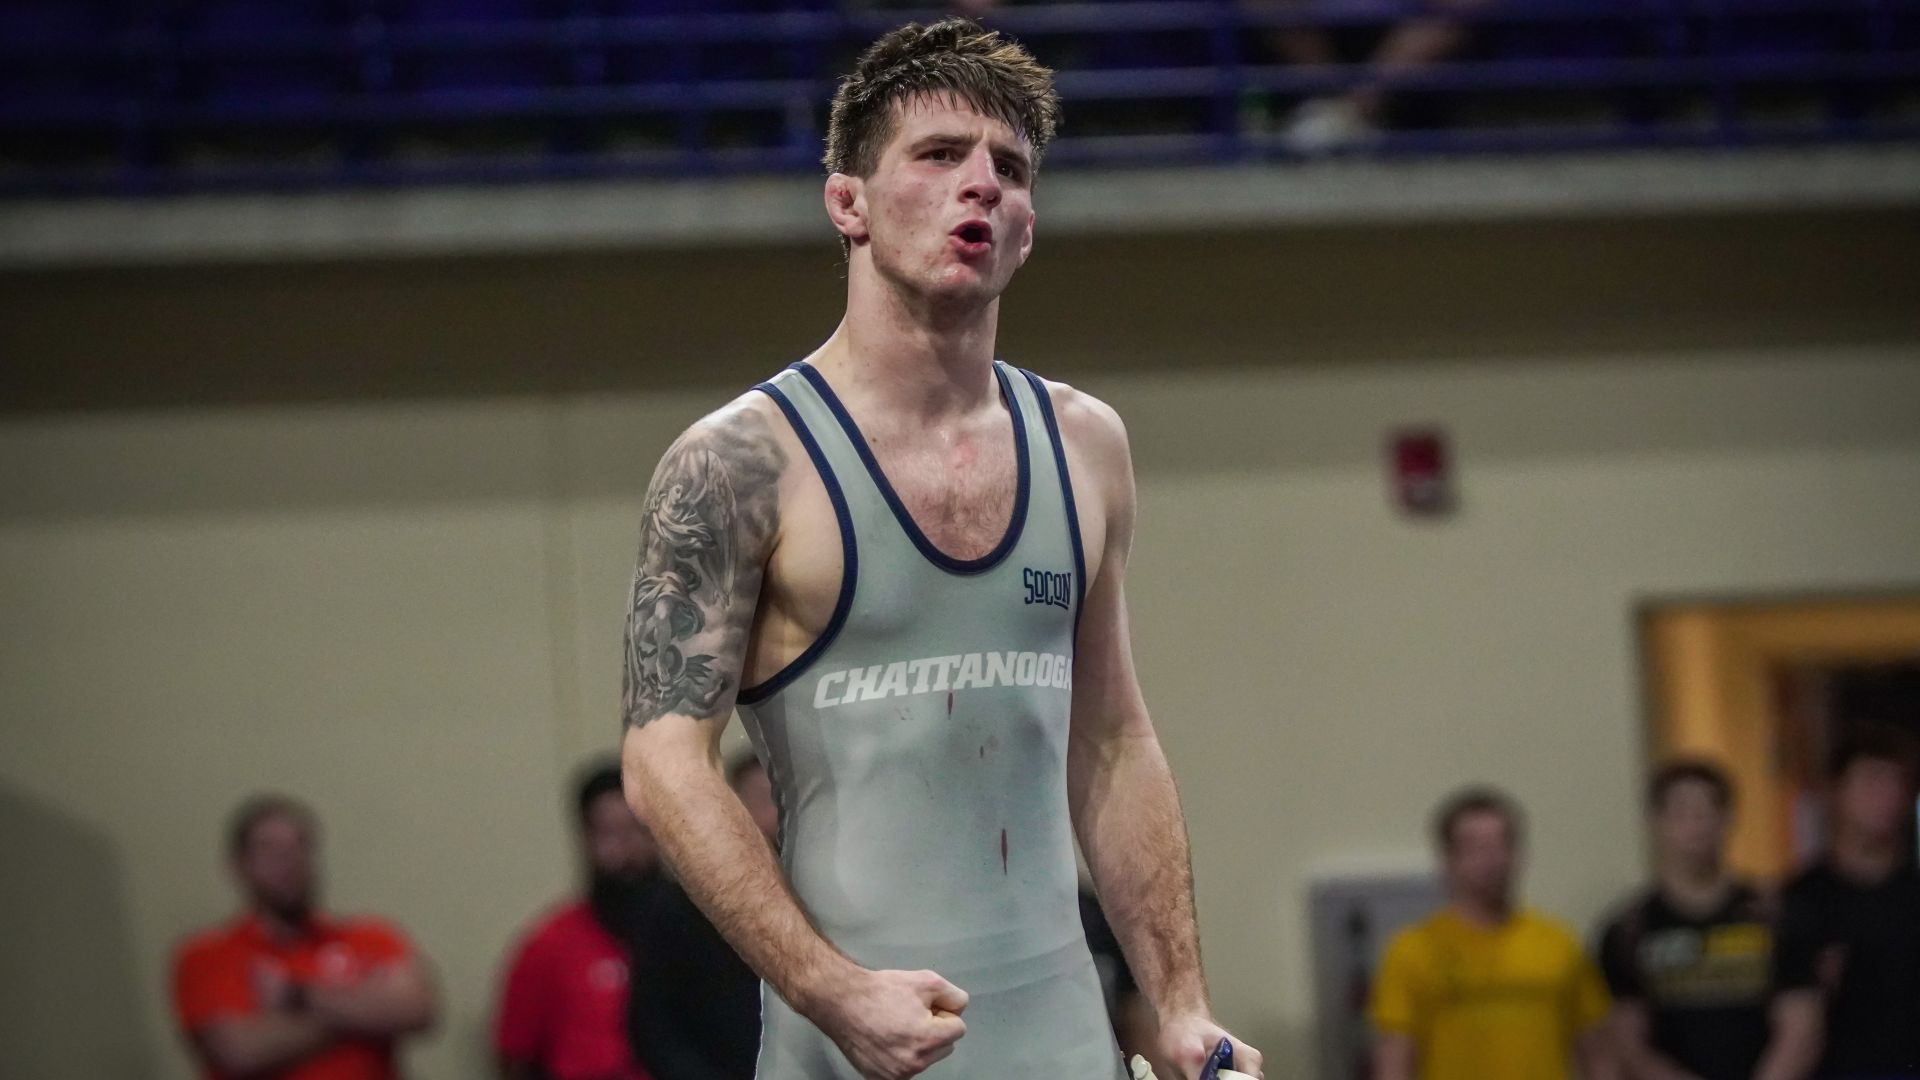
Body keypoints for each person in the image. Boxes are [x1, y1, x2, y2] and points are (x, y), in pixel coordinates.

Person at [616, 17, 1262, 1080]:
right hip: (855, 1041)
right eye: (938, 155)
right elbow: (661, 761)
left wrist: (1182, 1004)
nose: (981, 186)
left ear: (1028, 228)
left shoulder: (1085, 444)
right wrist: (830, 991)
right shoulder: (739, 462)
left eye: (1008, 169)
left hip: (1061, 1033)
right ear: (848, 203)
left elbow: (1110, 737)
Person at [170, 794, 437, 1080]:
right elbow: (241, 1051)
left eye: (299, 846)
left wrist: (297, 995)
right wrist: (365, 1009)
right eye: (270, 850)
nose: (289, 861)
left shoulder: (372, 936)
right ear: (239, 865)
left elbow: (416, 1009)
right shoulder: (207, 955)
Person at [1598, 761, 1822, 1080]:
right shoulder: (1629, 928)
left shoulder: (1775, 916)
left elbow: (1801, 1022)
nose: (1695, 824)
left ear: (1728, 818)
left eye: (1706, 810)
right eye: (1681, 812)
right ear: (1656, 821)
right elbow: (1628, 1041)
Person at [1370, 786, 1614, 1080]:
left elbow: (1597, 1053)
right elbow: (1395, 1060)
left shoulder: (1559, 944)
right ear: (1448, 859)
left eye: (1502, 844)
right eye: (1475, 847)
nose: (1491, 859)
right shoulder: (1412, 951)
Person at [494, 762, 660, 1080]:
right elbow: (514, 1056)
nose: (628, 850)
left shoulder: (699, 936)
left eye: (639, 830)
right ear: (586, 839)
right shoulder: (548, 945)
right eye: (611, 833)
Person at [627, 754, 778, 1080]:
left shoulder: (828, 900)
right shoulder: (678, 908)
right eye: (767, 800)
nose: (778, 817)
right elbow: (654, 1026)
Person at [1780, 731, 1920, 1079]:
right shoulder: (1799, 899)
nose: (1888, 797)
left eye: (1897, 784)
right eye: (1873, 781)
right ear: (1835, 792)